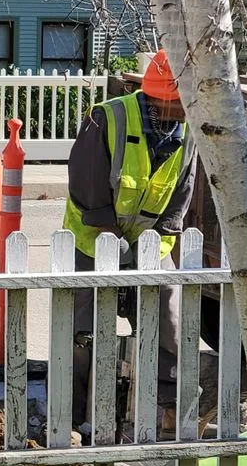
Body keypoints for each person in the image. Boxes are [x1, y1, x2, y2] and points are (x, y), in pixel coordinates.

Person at [62, 49, 197, 442]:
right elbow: (86, 186)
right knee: (82, 331)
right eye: (179, 102)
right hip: (94, 238)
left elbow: (180, 196)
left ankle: (166, 410)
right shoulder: (108, 118)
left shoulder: (188, 132)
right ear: (161, 99)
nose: (184, 111)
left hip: (149, 241)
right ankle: (72, 414)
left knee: (167, 321)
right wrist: (114, 240)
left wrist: (155, 244)